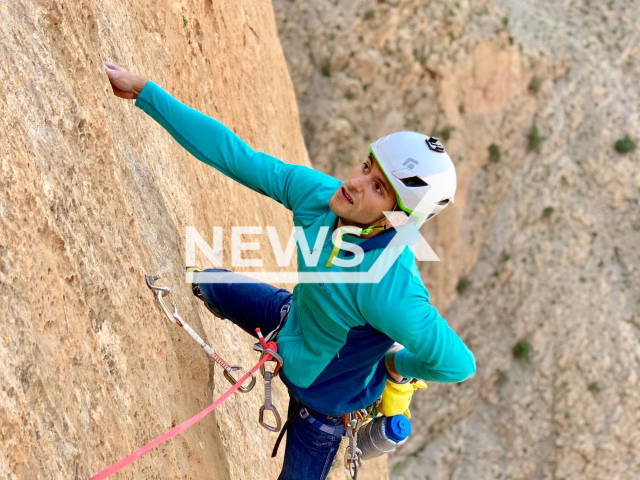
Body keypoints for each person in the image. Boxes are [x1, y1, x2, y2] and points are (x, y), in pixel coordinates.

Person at [103, 61, 476, 480]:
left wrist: (394, 367)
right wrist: (145, 93)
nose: (354, 182)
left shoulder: (391, 288)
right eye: (367, 166)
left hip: (324, 407)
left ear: (397, 220)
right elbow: (238, 157)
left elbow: (458, 364)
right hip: (288, 321)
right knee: (208, 283)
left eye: (378, 188)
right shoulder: (319, 196)